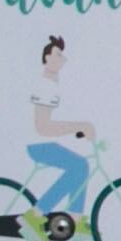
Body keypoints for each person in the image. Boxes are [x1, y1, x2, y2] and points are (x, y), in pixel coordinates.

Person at [25, 35, 97, 215]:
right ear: (47, 58)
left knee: (81, 166)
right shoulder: (46, 85)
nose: (63, 60)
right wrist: (80, 126)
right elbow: (42, 127)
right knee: (79, 167)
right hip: (38, 144)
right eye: (58, 55)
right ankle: (36, 215)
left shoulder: (52, 83)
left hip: (44, 143)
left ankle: (75, 220)